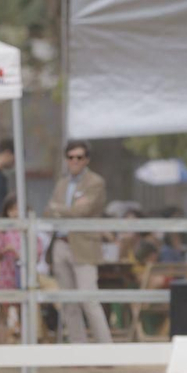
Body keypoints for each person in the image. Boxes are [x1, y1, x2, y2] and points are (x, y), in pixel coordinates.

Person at [43, 139, 113, 344]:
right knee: (68, 302)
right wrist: (68, 209)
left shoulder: (95, 182)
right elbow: (48, 211)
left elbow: (82, 211)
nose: (74, 161)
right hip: (60, 244)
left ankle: (107, 350)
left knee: (89, 299)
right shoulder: (62, 183)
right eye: (70, 157)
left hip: (84, 246)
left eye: (79, 157)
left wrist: (60, 209)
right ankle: (78, 348)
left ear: (86, 159)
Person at [0, 195, 24, 343]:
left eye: (18, 209)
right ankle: (1, 344)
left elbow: (35, 254)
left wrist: (17, 253)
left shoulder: (25, 230)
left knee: (23, 311)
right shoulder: (1, 232)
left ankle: (23, 343)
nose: (15, 213)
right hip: (5, 276)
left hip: (21, 276)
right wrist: (4, 251)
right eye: (12, 210)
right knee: (3, 311)